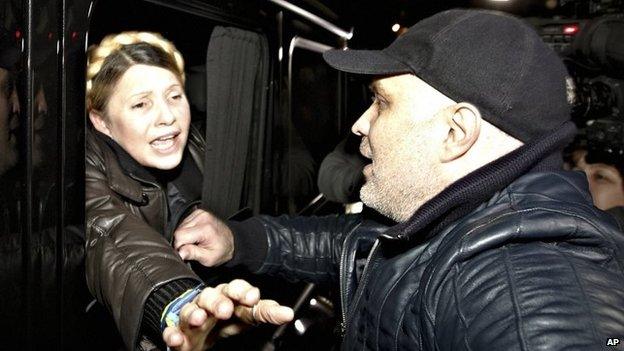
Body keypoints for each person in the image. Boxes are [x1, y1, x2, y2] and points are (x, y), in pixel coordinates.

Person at [173, 9, 624, 350]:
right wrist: (237, 239)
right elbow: (359, 245)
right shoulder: (456, 216)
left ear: (456, 133)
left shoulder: (520, 286)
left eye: (382, 103)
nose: (360, 125)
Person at [85, 32, 293, 351]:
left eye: (174, 96)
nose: (168, 117)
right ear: (101, 122)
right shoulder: (83, 163)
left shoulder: (201, 147)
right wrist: (179, 306)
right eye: (141, 104)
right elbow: (107, 231)